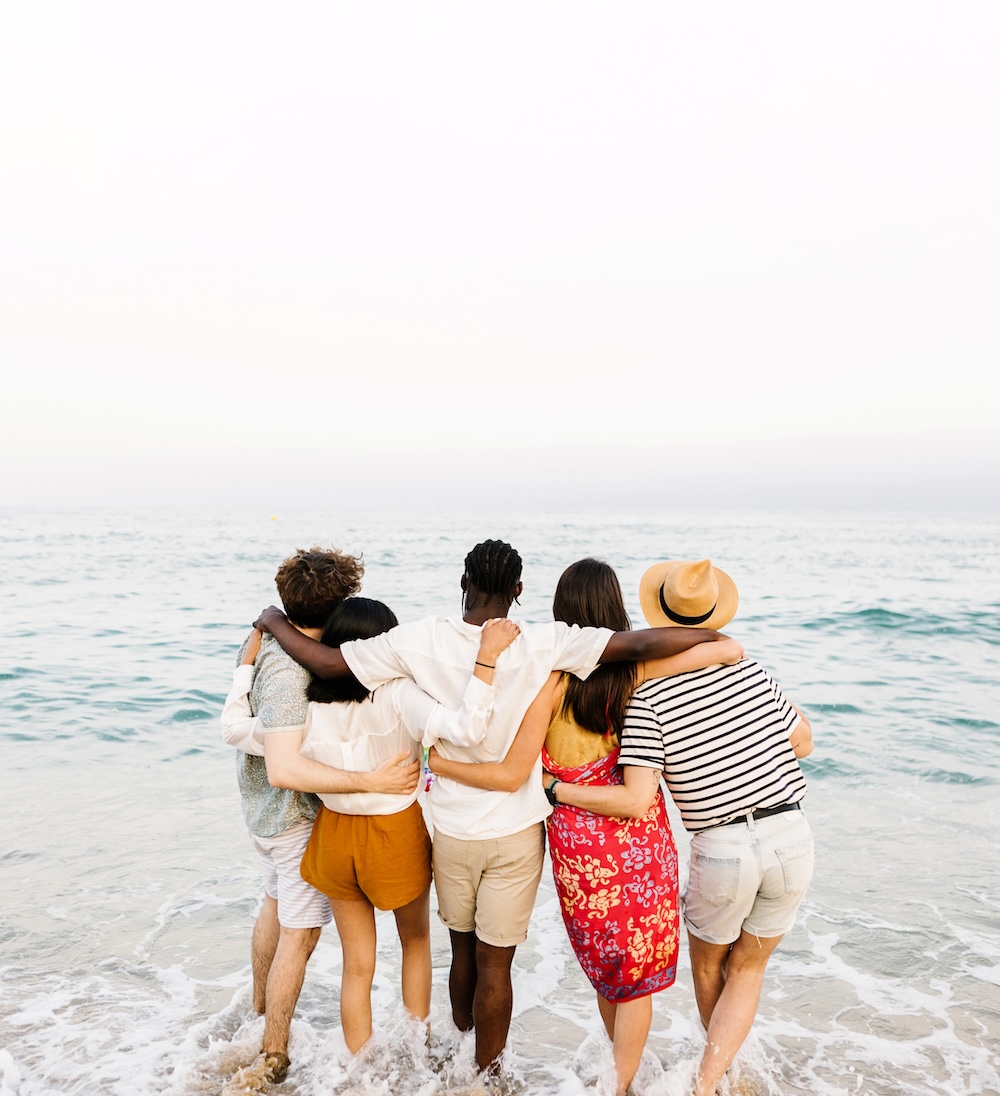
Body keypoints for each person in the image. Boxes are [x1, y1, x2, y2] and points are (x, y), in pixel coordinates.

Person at [253, 539, 736, 1078]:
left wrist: (275, 622)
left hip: (454, 831)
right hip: (516, 830)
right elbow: (638, 644)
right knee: (496, 964)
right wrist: (711, 635)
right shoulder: (546, 643)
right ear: (520, 592)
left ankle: (448, 1061)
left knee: (459, 954)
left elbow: (324, 661)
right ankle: (488, 1077)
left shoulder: (417, 640)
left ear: (464, 582)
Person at [427, 558, 744, 1096]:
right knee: (635, 979)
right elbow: (730, 650)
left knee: (607, 970)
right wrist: (689, 629)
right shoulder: (637, 670)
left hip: (577, 844)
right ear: (615, 608)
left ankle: (621, 1079)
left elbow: (513, 770)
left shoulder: (552, 681)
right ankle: (621, 1084)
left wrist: (441, 762)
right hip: (637, 835)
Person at [223, 597, 519, 1056]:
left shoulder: (306, 705)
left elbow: (241, 732)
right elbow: (462, 728)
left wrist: (248, 660)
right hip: (394, 834)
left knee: (356, 966)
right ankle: (414, 1056)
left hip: (335, 836)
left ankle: (362, 1070)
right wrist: (484, 665)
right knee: (415, 943)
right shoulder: (400, 693)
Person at [612, 558, 814, 1096]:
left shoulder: (647, 697)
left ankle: (709, 1084)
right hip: (792, 838)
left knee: (709, 970)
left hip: (722, 846)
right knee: (747, 970)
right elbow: (804, 740)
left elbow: (639, 794)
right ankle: (716, 1080)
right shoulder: (751, 669)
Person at [223, 546, 419, 1087]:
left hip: (259, 811)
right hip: (290, 815)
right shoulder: (292, 671)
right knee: (301, 935)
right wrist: (369, 781)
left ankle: (259, 1011)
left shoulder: (268, 643)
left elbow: (237, 726)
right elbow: (286, 768)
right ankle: (272, 1051)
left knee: (273, 904)